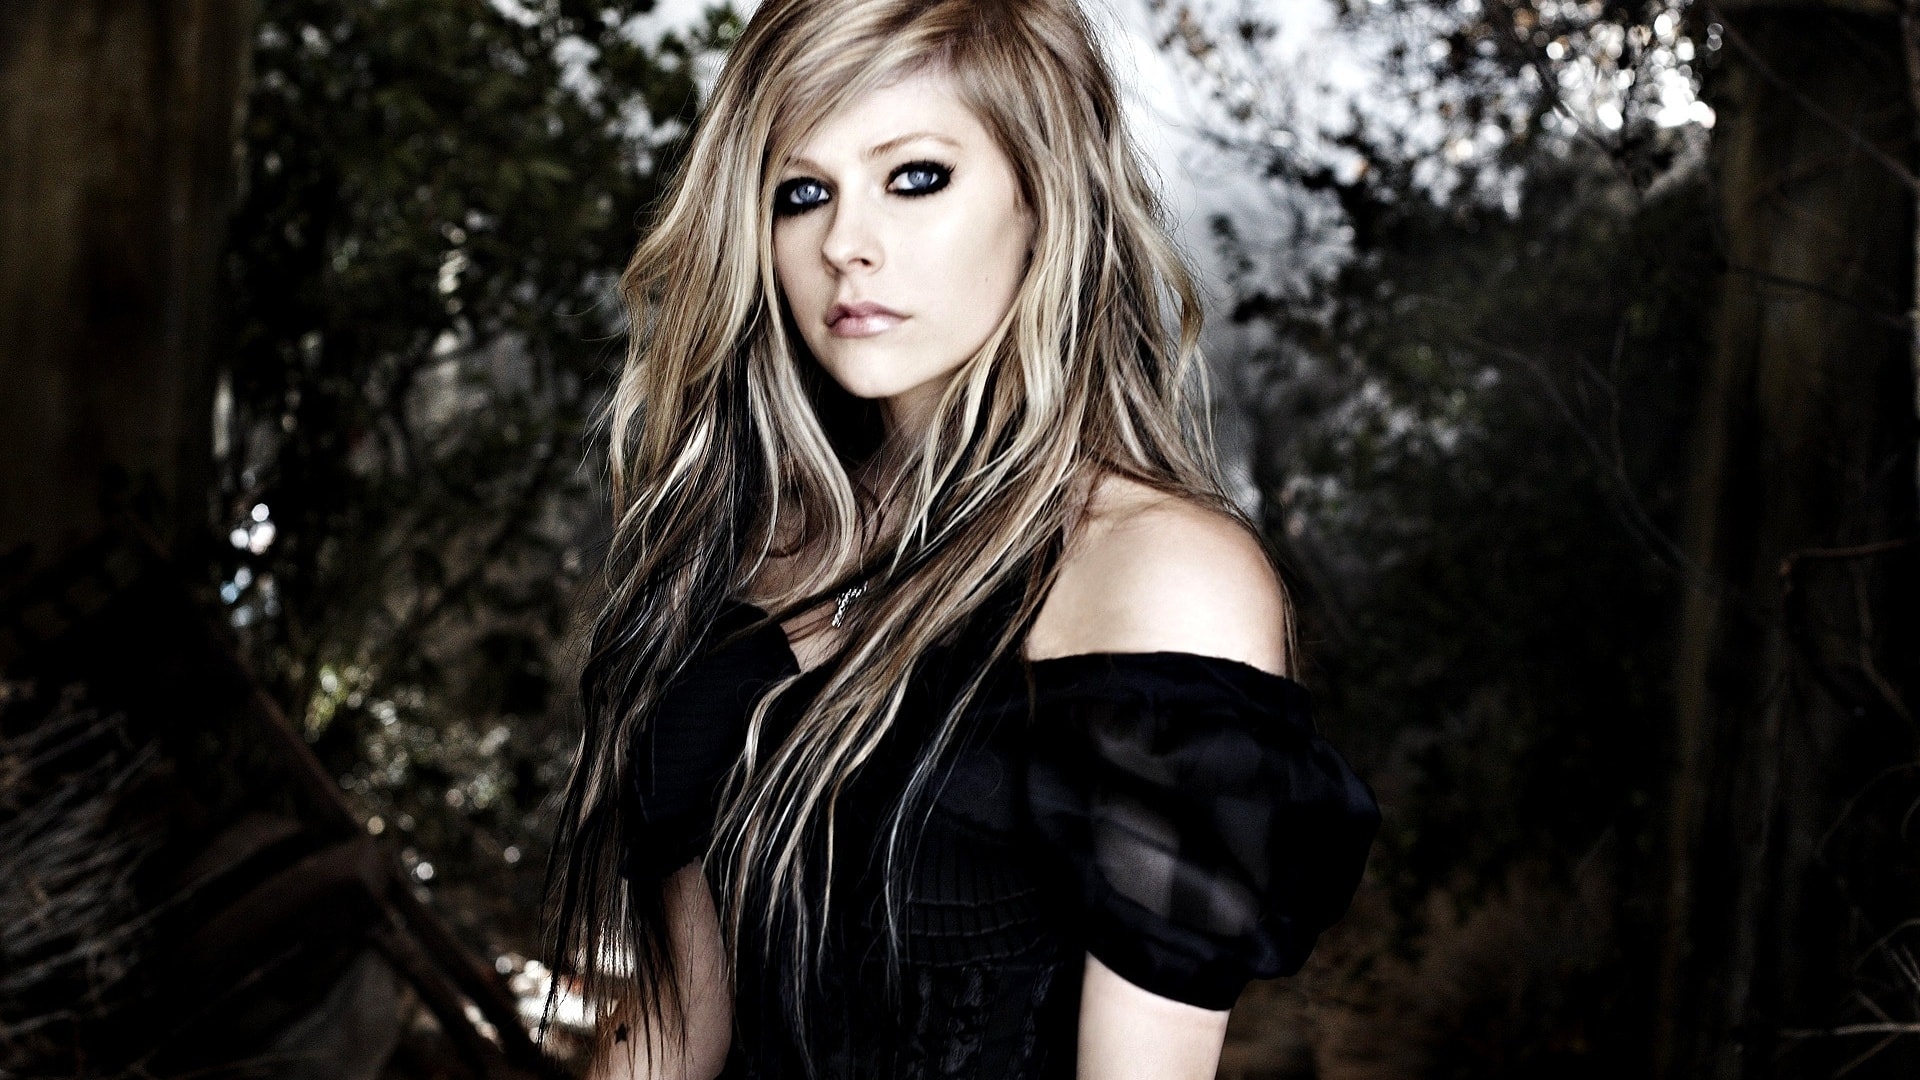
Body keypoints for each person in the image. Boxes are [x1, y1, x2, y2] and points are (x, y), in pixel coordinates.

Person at [542, 0, 1381, 1076]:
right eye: (802, 193)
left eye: (915, 176)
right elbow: (669, 1032)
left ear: (1042, 198)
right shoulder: (760, 554)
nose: (845, 244)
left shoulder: (1157, 575)